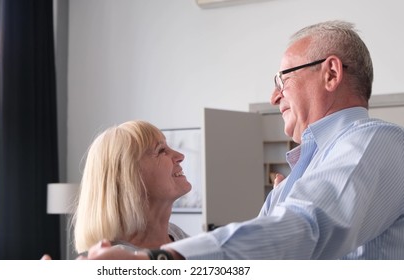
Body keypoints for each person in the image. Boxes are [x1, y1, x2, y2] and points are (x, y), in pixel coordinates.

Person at [82, 20, 404, 260]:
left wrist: (163, 261)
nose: (274, 95)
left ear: (331, 74)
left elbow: (308, 227)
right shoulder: (298, 177)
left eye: (284, 78)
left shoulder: (375, 142)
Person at [42, 120, 192, 259]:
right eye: (161, 150)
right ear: (129, 176)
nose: (180, 156)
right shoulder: (112, 261)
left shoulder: (177, 235)